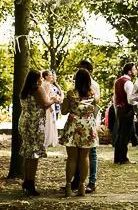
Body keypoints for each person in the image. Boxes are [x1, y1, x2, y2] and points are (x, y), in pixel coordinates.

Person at [19, 68, 60, 196]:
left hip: (24, 121)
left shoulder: (24, 91)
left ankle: (26, 180)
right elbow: (44, 103)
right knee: (35, 153)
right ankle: (31, 182)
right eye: (41, 78)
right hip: (35, 123)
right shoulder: (37, 89)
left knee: (28, 151)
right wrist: (54, 100)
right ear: (37, 79)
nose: (42, 80)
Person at [60, 69, 98, 197]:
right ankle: (82, 185)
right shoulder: (92, 95)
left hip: (73, 126)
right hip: (87, 126)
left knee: (71, 158)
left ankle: (69, 186)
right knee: (85, 157)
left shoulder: (71, 94)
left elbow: (64, 111)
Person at [70, 60, 101, 194]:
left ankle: (91, 182)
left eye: (81, 69)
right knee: (78, 154)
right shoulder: (76, 88)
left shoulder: (93, 86)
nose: (78, 72)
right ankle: (77, 181)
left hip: (89, 122)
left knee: (90, 153)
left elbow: (96, 105)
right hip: (80, 124)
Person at [113, 63, 137, 165]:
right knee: (125, 134)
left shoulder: (117, 81)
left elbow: (115, 97)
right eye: (134, 69)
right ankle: (123, 158)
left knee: (120, 133)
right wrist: (137, 104)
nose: (136, 71)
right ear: (129, 72)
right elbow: (130, 99)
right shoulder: (128, 83)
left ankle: (117, 157)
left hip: (119, 109)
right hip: (127, 110)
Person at [42, 70, 59, 148]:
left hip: (48, 104)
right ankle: (48, 139)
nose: (51, 76)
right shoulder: (47, 85)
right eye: (50, 75)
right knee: (49, 121)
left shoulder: (42, 84)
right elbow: (46, 96)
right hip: (50, 104)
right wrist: (50, 106)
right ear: (46, 76)